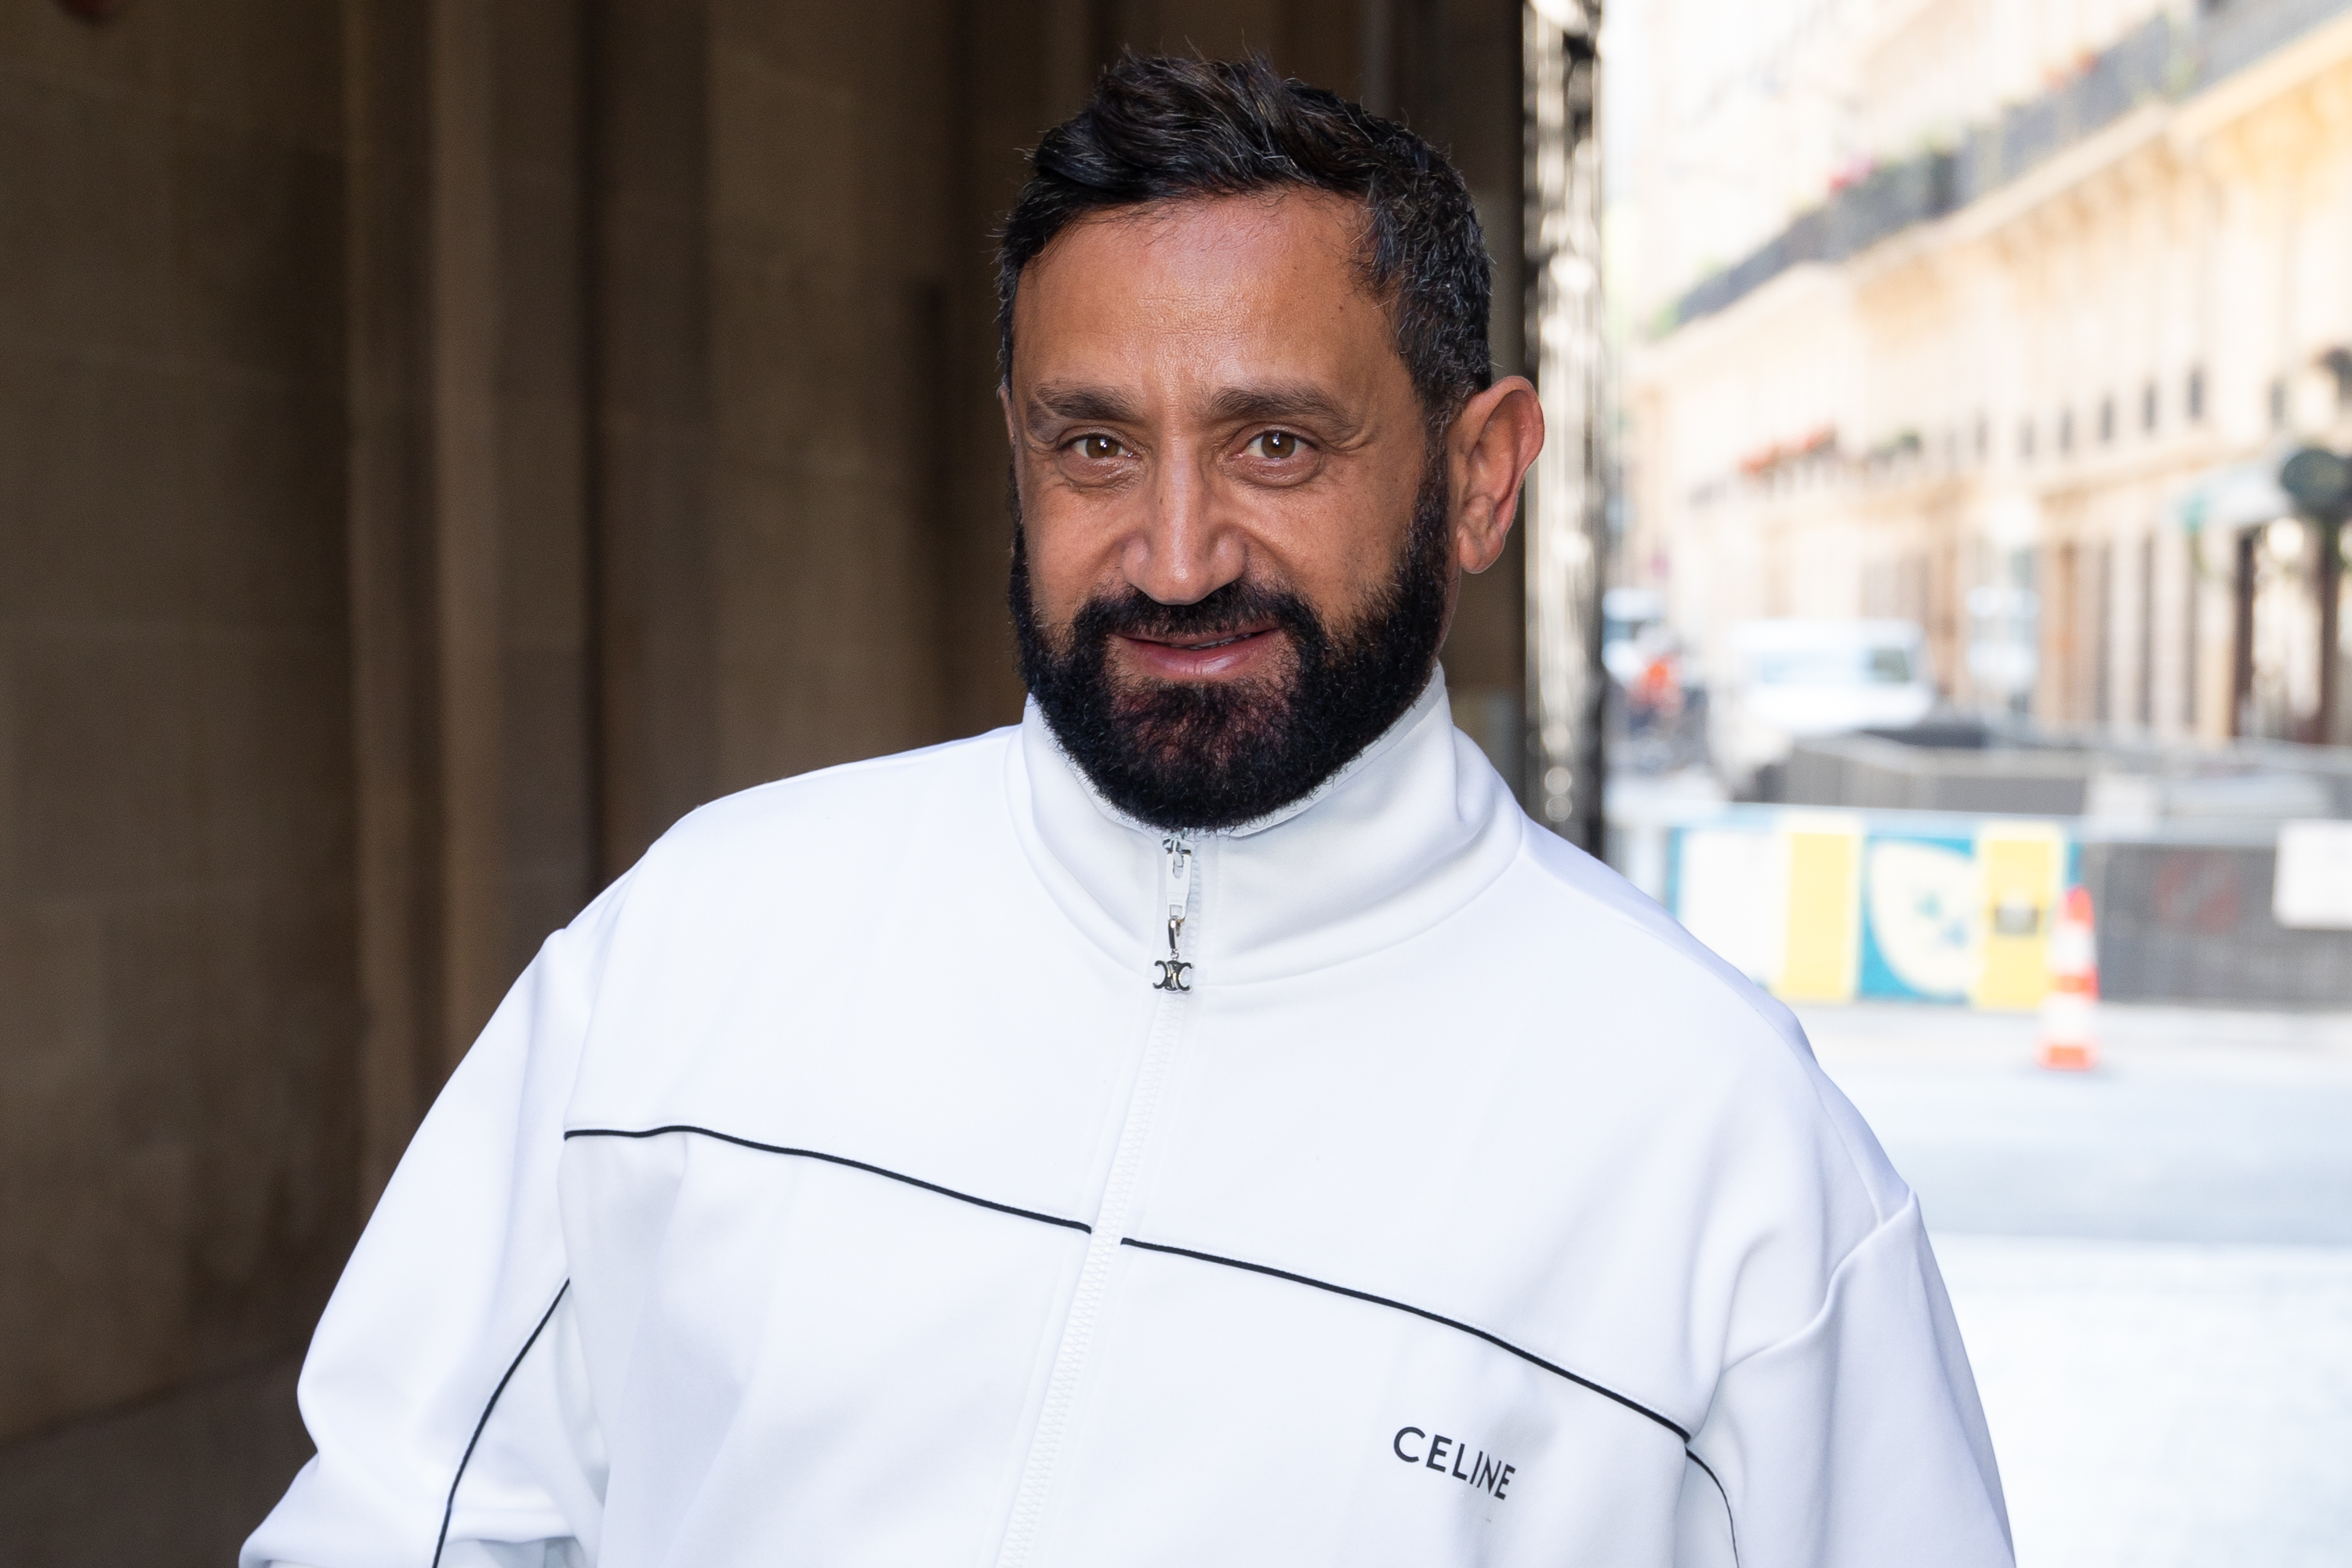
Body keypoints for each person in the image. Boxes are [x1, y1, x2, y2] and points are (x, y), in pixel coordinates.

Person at [245, 55, 2010, 1568]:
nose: (1176, 557)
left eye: (1276, 446)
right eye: (1096, 445)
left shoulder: (1722, 1144)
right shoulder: (704, 944)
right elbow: (399, 1516)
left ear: (1481, 477)